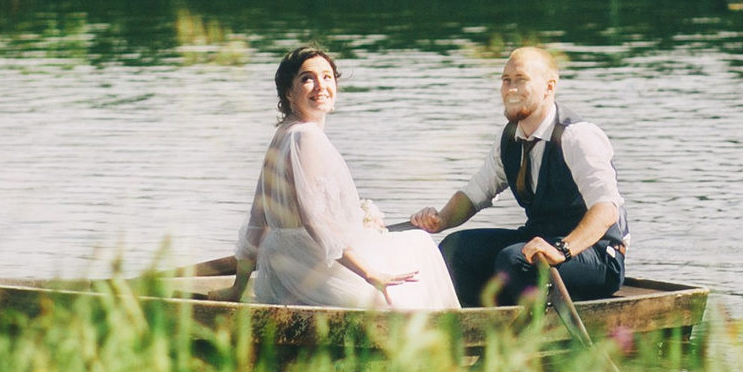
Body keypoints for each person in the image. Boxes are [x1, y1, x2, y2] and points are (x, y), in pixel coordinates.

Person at [237, 45, 463, 310]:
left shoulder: (283, 134)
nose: (320, 86)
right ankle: (448, 338)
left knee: (403, 242)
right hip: (312, 268)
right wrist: (369, 274)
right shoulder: (305, 137)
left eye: (327, 77)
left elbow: (256, 221)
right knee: (420, 243)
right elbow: (315, 222)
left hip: (281, 273)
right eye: (307, 78)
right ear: (289, 92)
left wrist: (236, 289)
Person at [410, 46, 626, 306]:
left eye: (520, 80)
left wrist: (562, 249)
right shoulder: (509, 139)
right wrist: (440, 219)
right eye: (506, 80)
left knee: (514, 260)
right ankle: (480, 330)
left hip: (598, 255)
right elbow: (475, 193)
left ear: (549, 87)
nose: (510, 89)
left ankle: (530, 332)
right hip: (538, 243)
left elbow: (606, 210)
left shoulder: (577, 136)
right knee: (455, 248)